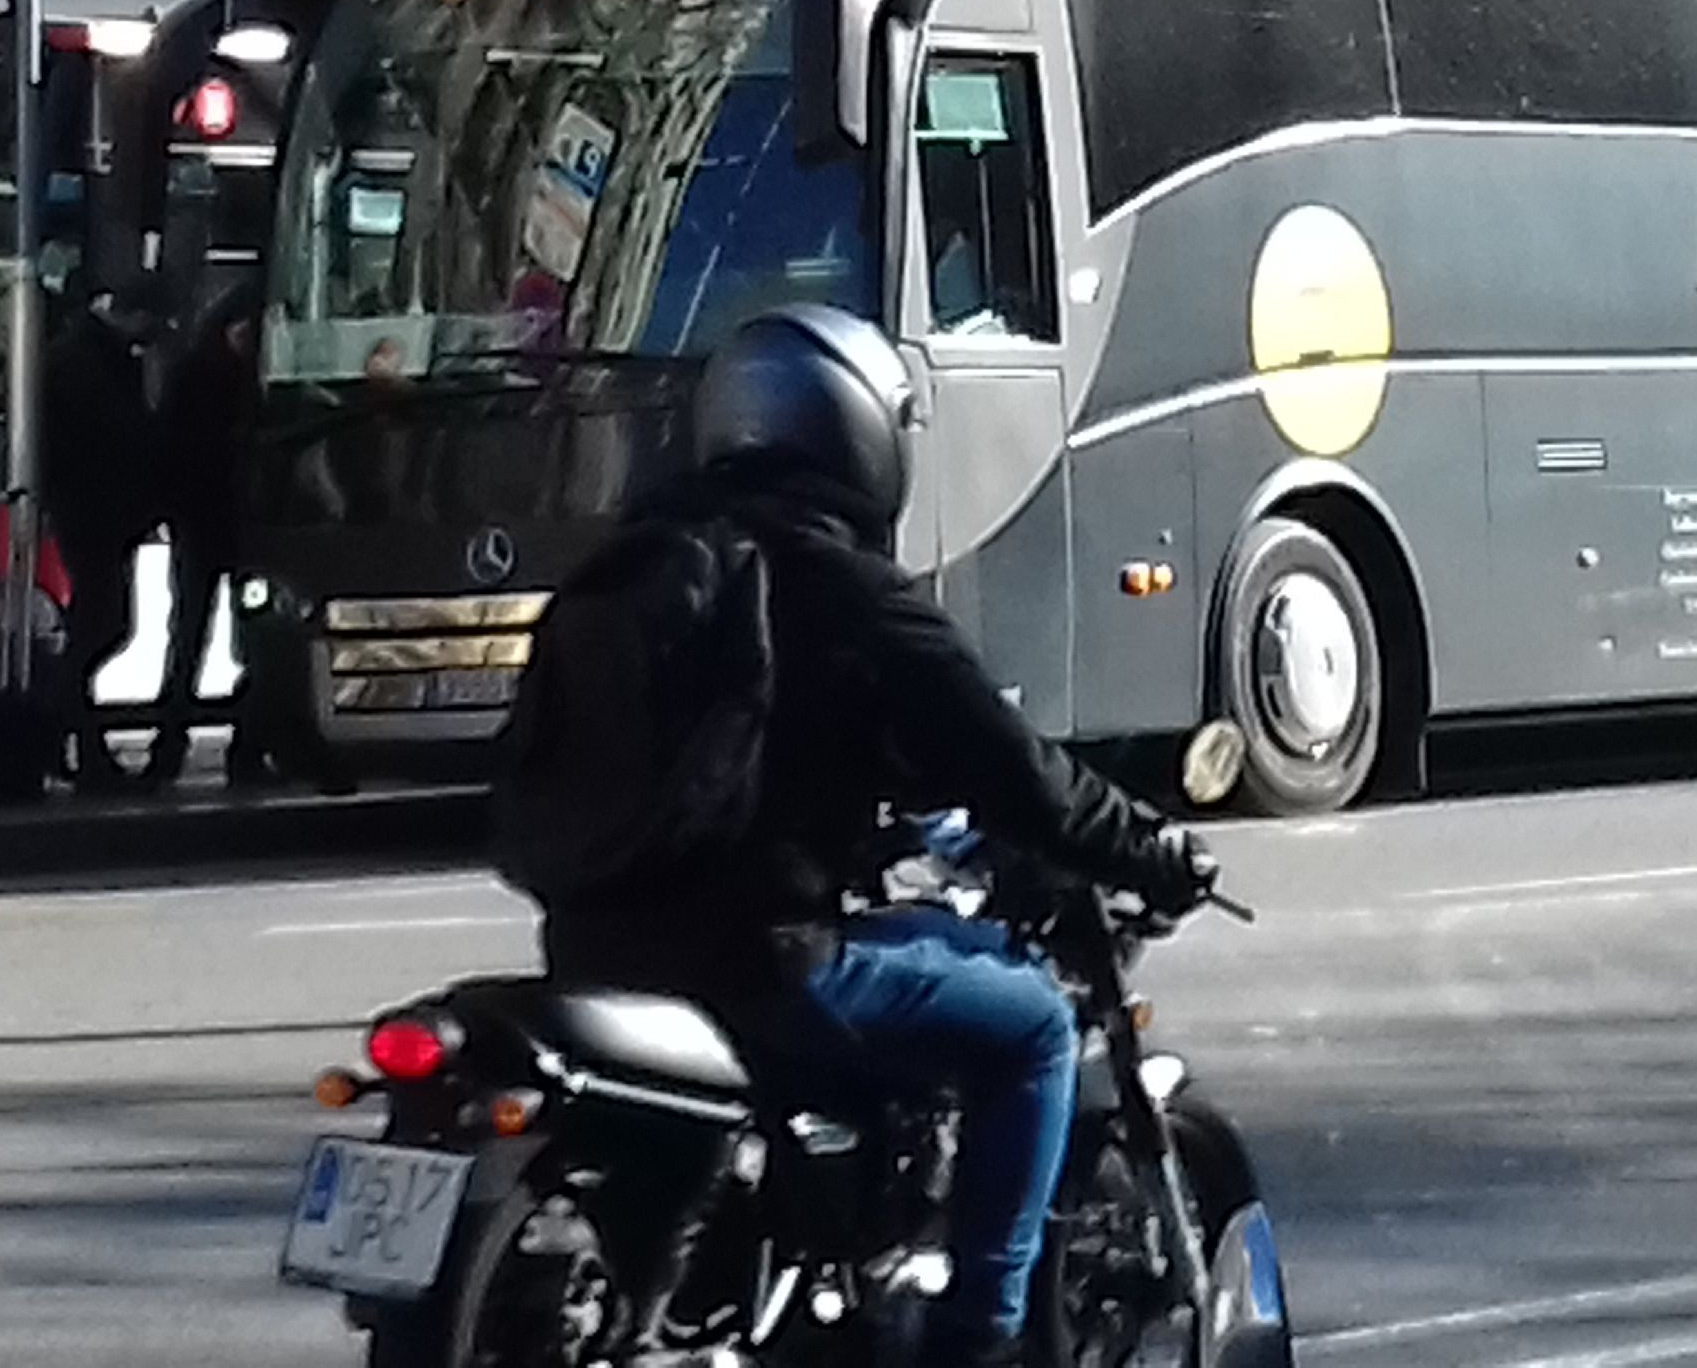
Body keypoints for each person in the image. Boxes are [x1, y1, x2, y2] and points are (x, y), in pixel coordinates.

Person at [490, 305, 1214, 1368]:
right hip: (765, 967)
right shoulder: (841, 587)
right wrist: (1147, 846)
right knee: (1030, 1030)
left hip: (595, 957)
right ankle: (979, 1338)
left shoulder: (638, 565)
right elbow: (1012, 766)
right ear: (864, 433)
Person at [42, 293, 163, 792]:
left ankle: (70, 735)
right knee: (103, 624)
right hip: (97, 514)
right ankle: (63, 726)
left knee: (100, 624)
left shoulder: (86, 355)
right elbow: (118, 437)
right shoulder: (88, 363)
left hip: (94, 513)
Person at [145, 278, 261, 789]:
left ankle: (170, 746)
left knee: (188, 636)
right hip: (238, 524)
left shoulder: (190, 372)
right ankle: (246, 749)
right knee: (248, 638)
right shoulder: (247, 381)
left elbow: (170, 450)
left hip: (199, 523)